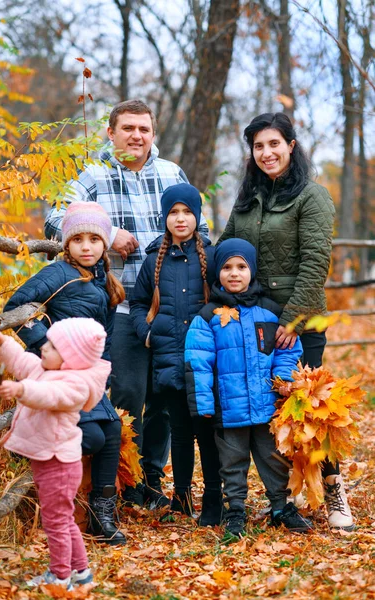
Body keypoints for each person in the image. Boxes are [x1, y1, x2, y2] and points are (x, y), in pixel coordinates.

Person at [44, 99, 209, 508]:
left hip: (172, 309)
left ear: (154, 134)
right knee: (128, 394)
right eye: (128, 128)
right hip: (117, 307)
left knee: (166, 399)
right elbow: (53, 220)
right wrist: (108, 231)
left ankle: (151, 480)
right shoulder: (93, 176)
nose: (136, 136)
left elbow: (201, 230)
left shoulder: (171, 173)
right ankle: (119, 480)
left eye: (144, 129)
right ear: (111, 132)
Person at [218, 112, 354, 530]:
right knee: (266, 406)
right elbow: (225, 250)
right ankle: (282, 496)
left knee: (309, 407)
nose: (267, 152)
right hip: (253, 319)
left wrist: (291, 320)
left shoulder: (312, 196)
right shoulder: (246, 201)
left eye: (274, 143)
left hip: (301, 318)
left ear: (291, 146)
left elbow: (316, 262)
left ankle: (333, 491)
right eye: (259, 146)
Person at [5, 202, 126, 545]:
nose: (86, 247)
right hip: (58, 374)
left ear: (105, 244)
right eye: (77, 240)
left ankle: (101, 515)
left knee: (112, 429)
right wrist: (45, 345)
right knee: (96, 438)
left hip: (86, 376)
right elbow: (14, 306)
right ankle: (30, 452)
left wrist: (102, 378)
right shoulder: (58, 273)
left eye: (93, 239)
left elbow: (107, 338)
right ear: (67, 244)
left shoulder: (104, 281)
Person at [184, 239, 313, 536]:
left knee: (274, 458)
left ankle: (280, 506)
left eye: (241, 267)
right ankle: (236, 510)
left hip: (267, 405)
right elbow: (197, 362)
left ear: (252, 271)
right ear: (218, 273)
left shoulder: (270, 313)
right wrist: (203, 404)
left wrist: (282, 382)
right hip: (228, 409)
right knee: (232, 462)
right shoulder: (208, 317)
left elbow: (287, 351)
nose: (234, 273)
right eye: (227, 267)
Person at [0, 316, 111, 589]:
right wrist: (1, 340)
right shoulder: (46, 369)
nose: (43, 348)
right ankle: (81, 573)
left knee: (56, 522)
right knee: (63, 518)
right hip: (48, 458)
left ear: (71, 358)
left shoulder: (75, 384)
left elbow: (50, 394)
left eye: (52, 346)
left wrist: (20, 389)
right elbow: (22, 361)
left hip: (59, 463)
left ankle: (60, 576)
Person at [130, 184, 222, 525]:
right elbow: (138, 303)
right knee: (180, 434)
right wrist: (147, 332)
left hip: (205, 363)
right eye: (173, 213)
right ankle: (181, 498)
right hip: (169, 359)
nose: (180, 219)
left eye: (186, 212)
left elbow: (227, 298)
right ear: (164, 217)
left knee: (208, 434)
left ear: (197, 216)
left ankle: (213, 500)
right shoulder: (155, 261)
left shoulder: (212, 257)